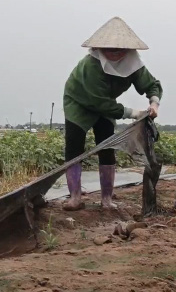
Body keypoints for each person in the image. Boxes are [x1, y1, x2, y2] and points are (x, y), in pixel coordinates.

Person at [62, 17, 163, 211]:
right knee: (74, 147)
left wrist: (154, 103)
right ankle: (75, 198)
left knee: (107, 146)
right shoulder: (91, 65)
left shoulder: (133, 64)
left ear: (128, 50)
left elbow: (151, 85)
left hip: (106, 105)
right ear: (99, 48)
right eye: (109, 50)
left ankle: (106, 199)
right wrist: (134, 113)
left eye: (119, 50)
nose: (114, 54)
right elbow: (99, 102)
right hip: (79, 103)